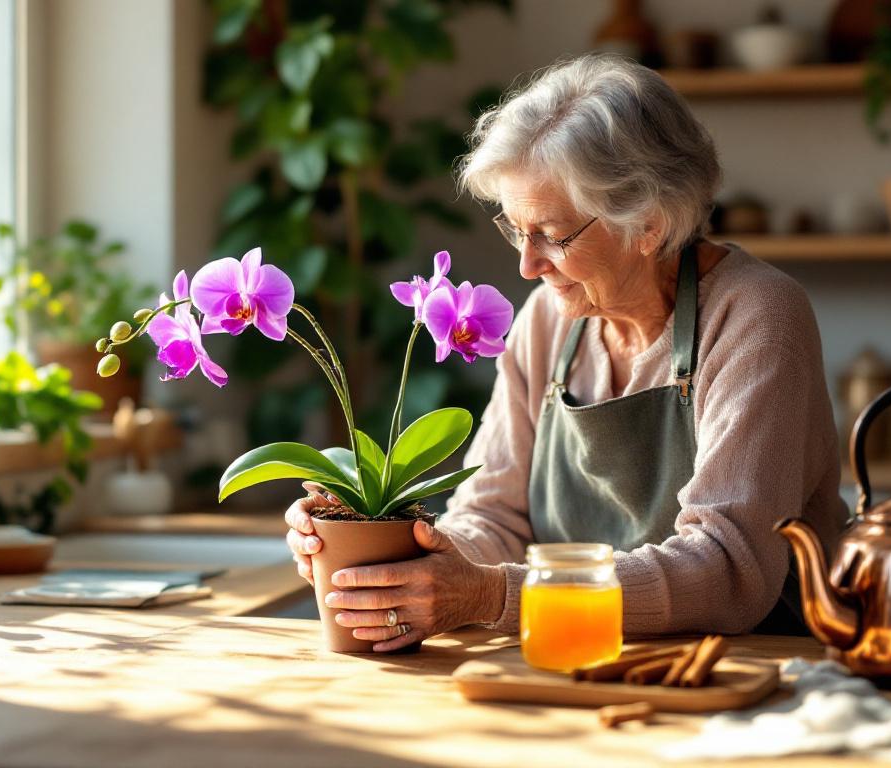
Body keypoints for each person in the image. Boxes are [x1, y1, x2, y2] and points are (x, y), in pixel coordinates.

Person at [284, 54, 848, 653]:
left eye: (552, 235)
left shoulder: (755, 316)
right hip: (577, 654)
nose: (526, 266)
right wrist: (401, 564)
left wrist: (490, 596)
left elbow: (728, 566)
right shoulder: (550, 321)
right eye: (515, 229)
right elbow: (494, 518)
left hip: (755, 673)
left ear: (647, 225)